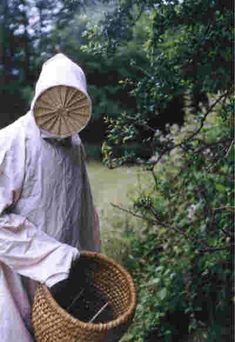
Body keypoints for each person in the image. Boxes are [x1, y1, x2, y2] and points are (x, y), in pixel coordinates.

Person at [0, 53, 101, 341]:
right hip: (16, 273)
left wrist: (85, 261)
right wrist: (52, 257)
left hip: (62, 281)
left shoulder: (75, 145)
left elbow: (82, 207)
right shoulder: (11, 142)